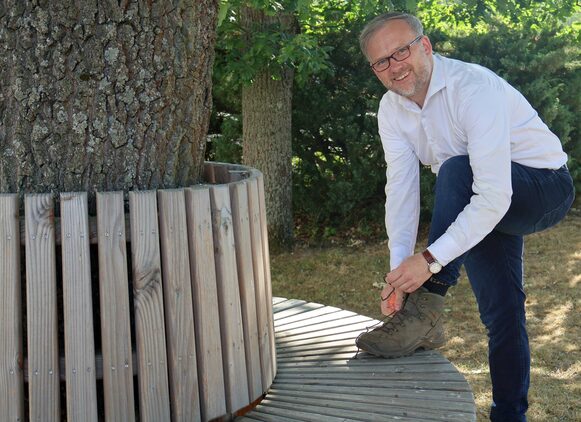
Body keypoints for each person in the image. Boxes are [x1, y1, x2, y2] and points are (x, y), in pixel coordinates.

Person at [354, 12, 575, 422]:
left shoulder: (472, 88)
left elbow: (494, 194)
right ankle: (509, 415)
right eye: (381, 61)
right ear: (374, 71)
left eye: (401, 50)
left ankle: (428, 305)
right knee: (502, 311)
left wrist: (430, 263)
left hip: (542, 189)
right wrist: (397, 274)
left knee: (457, 167)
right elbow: (401, 191)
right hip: (479, 202)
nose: (394, 66)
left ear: (425, 45)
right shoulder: (391, 110)